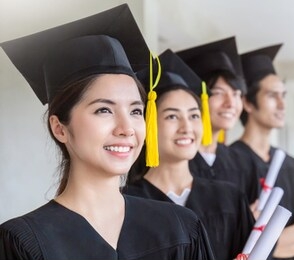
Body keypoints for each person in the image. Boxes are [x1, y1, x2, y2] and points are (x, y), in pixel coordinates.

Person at [0, 4, 214, 259]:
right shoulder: (25, 242)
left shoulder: (181, 228)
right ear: (59, 128)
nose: (126, 129)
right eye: (104, 110)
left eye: (136, 111)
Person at [123, 50, 254, 260]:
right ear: (148, 123)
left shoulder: (229, 198)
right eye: (172, 116)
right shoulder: (125, 203)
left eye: (194, 115)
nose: (187, 127)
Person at [230, 44, 294, 260]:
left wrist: (272, 245)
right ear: (247, 102)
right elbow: (236, 248)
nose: (282, 104)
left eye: (283, 95)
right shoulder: (228, 164)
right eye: (272, 96)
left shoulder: (290, 165)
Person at [176, 37, 260, 207]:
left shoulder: (243, 162)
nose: (230, 103)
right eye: (219, 92)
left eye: (236, 94)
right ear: (197, 98)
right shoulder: (177, 159)